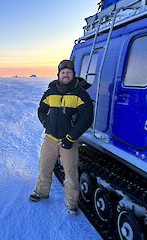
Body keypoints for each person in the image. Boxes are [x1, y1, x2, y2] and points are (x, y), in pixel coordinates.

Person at [29, 59, 93, 215]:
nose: (66, 75)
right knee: (44, 168)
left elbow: (86, 119)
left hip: (69, 141)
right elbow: (41, 109)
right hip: (50, 139)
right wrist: (45, 122)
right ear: (58, 74)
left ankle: (71, 204)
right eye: (63, 73)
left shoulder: (80, 94)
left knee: (70, 174)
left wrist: (70, 138)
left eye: (68, 73)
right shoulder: (51, 92)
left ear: (73, 75)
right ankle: (41, 192)